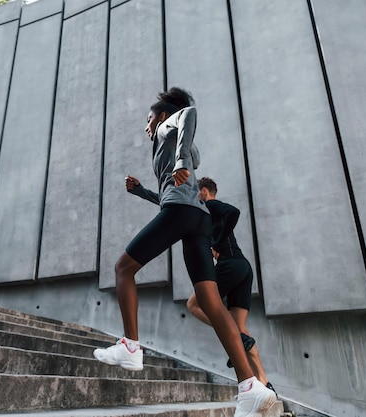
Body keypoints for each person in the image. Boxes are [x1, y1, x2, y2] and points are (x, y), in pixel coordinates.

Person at [92, 88, 277, 417]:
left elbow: (189, 114)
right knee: (210, 302)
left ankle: (131, 347)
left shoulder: (169, 125)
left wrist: (179, 158)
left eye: (148, 118)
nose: (146, 124)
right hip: (197, 220)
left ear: (162, 115)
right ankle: (249, 386)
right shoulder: (177, 144)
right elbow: (172, 192)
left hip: (181, 213)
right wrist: (142, 191)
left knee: (123, 269)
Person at [186, 177, 276, 396]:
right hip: (243, 267)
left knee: (194, 304)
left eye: (197, 194)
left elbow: (233, 212)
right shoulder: (210, 214)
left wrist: (215, 243)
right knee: (241, 328)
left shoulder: (209, 204)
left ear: (204, 191)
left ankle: (234, 336)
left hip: (230, 264)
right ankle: (264, 382)